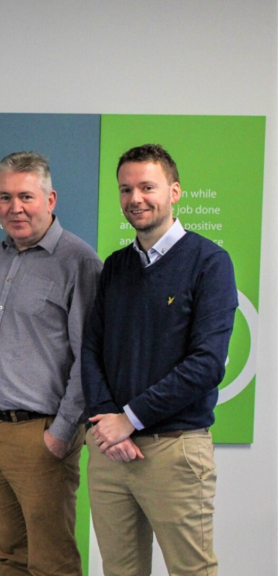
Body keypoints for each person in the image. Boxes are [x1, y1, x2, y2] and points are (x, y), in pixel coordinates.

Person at [83, 144, 236, 576]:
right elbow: (91, 349)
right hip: (110, 452)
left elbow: (207, 364)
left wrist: (129, 418)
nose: (136, 198)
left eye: (147, 187)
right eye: (126, 189)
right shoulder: (114, 267)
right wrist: (106, 419)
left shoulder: (210, 263)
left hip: (174, 451)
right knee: (120, 571)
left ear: (175, 192)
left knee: (192, 570)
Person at [0, 152, 101, 575]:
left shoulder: (79, 262)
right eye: (5, 197)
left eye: (26, 196)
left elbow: (88, 357)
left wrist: (62, 432)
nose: (14, 208)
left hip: (39, 438)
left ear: (50, 198)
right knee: (8, 554)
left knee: (52, 561)